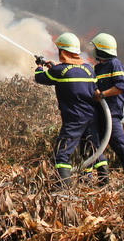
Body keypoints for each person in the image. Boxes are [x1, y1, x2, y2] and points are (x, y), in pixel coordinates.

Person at [34, 32, 98, 186]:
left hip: (74, 118)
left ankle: (64, 186)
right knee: (88, 147)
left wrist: (39, 67)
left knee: (62, 152)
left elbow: (40, 78)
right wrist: (55, 67)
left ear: (62, 51)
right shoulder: (89, 69)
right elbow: (74, 76)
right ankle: (90, 180)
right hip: (91, 116)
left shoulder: (59, 71)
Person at [89, 32, 124, 185]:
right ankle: (100, 176)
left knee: (119, 143)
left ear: (101, 49)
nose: (93, 51)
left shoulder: (115, 64)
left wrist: (103, 95)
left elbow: (121, 86)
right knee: (94, 144)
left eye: (95, 48)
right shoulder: (98, 68)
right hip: (99, 113)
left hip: (111, 113)